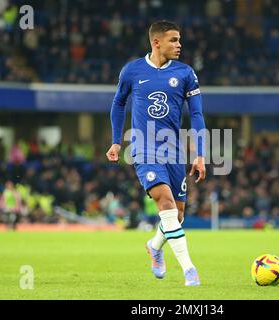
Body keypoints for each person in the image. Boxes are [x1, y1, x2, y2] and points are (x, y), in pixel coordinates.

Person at [106, 20, 206, 286]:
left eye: (179, 40)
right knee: (165, 203)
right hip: (143, 148)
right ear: (156, 42)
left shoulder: (186, 73)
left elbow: (196, 114)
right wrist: (116, 142)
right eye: (173, 40)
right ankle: (189, 269)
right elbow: (118, 103)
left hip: (173, 151)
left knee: (178, 214)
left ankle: (154, 245)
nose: (179, 45)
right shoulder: (132, 71)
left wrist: (200, 154)